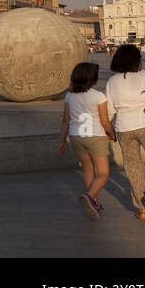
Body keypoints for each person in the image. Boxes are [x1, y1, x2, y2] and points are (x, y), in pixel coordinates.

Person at [106, 43, 145, 221]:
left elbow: (110, 110)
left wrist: (108, 130)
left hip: (123, 128)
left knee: (133, 167)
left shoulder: (112, 81)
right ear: (138, 60)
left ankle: (142, 210)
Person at [58, 61, 116, 220]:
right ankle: (89, 196)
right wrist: (112, 134)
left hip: (76, 137)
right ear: (92, 79)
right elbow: (105, 122)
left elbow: (65, 120)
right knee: (103, 173)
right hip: (95, 136)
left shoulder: (69, 95)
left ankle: (94, 203)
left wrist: (62, 141)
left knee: (88, 170)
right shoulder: (98, 96)